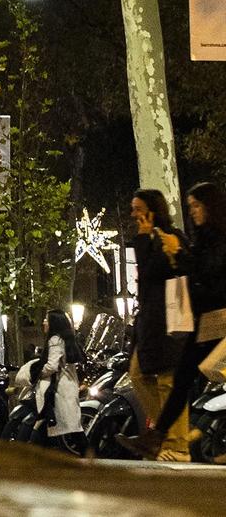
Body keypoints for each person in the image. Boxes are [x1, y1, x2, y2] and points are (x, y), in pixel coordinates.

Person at [139, 180, 226, 460]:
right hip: (205, 320)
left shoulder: (220, 239)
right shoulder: (201, 238)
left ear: (210, 206)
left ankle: (163, 438)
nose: (193, 213)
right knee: (183, 379)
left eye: (197, 206)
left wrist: (178, 252)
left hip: (220, 319)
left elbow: (209, 275)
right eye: (190, 208)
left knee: (190, 378)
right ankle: (157, 437)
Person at [118, 188, 189, 456]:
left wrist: (144, 240)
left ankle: (177, 444)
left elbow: (152, 274)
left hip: (170, 322)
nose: (133, 213)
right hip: (149, 322)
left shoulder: (171, 237)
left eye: (138, 208)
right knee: (137, 373)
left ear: (152, 210)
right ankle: (165, 433)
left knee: (168, 382)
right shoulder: (147, 239)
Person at [28, 309, 84, 448]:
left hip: (59, 389)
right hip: (68, 386)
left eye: (46, 319)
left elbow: (52, 366)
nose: (44, 322)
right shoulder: (66, 339)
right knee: (67, 425)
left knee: (65, 425)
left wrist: (38, 374)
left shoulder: (55, 340)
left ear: (54, 323)